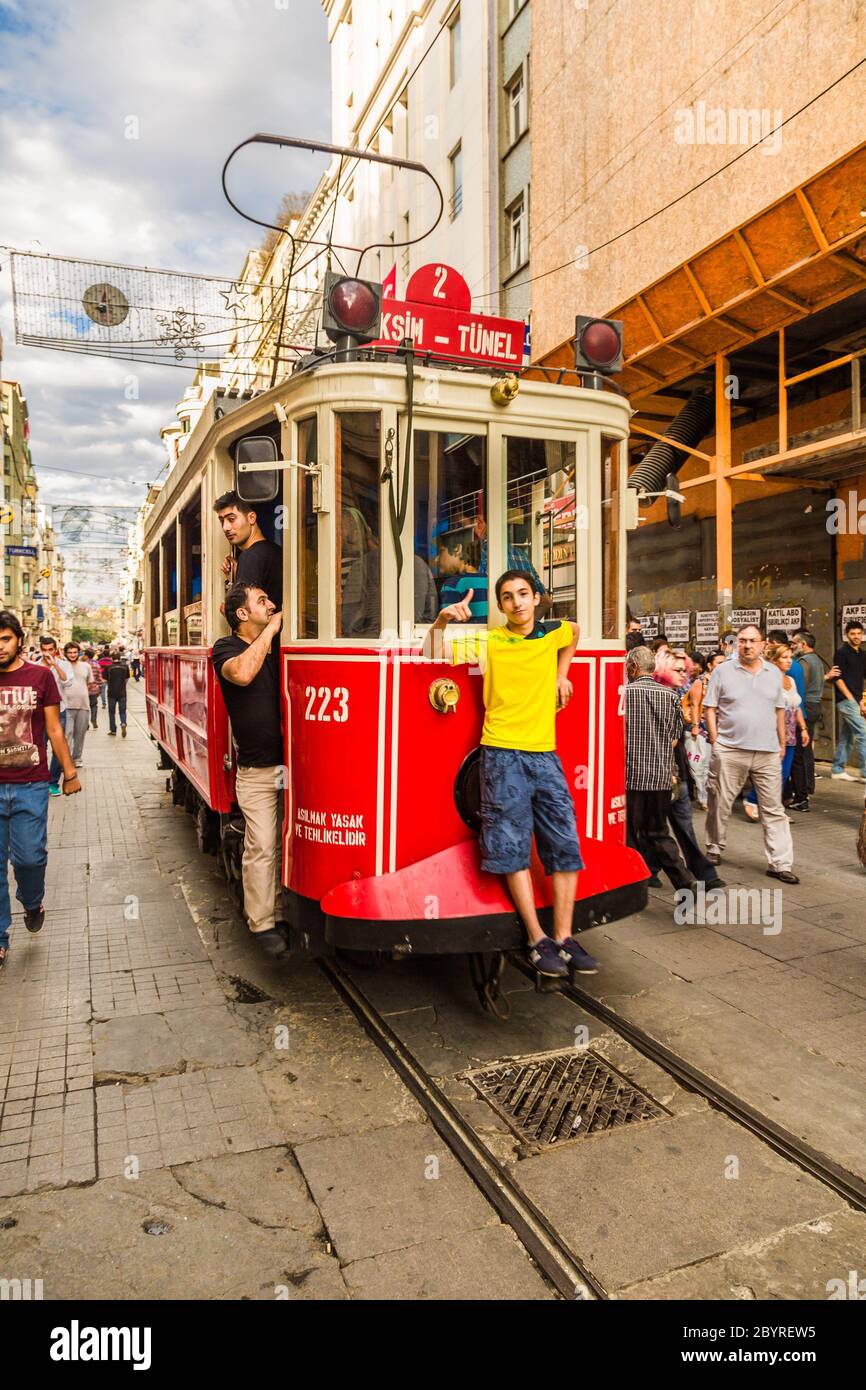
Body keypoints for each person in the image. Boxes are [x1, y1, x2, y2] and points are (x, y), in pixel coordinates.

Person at [423, 569, 596, 980]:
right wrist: (443, 620)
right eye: (507, 597)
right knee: (510, 845)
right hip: (501, 754)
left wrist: (562, 674)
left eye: (523, 594)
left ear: (536, 599)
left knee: (565, 842)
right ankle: (538, 940)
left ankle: (564, 937)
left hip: (544, 754)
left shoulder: (550, 634)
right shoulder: (489, 640)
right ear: (500, 606)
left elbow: (574, 630)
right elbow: (432, 650)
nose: (517, 602)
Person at [0, 611, 81, 970]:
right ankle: (0, 937)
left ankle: (32, 901)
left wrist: (69, 771)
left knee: (29, 858)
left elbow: (54, 728)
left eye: (4, 638)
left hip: (30, 783)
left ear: (18, 638)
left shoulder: (40, 676)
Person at [211, 582, 287, 959]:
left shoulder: (279, 645)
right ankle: (262, 922)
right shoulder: (226, 648)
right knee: (261, 845)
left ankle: (287, 907)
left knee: (287, 842)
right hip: (257, 770)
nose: (271, 604)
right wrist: (271, 631)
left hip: (291, 768)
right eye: (263, 601)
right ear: (242, 614)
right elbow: (241, 674)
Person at [703, 625, 798, 884]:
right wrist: (715, 739)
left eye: (752, 641)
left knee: (773, 808)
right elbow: (709, 707)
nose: (747, 645)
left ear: (762, 644)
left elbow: (779, 710)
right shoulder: (723, 671)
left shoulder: (773, 674)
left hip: (767, 751)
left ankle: (780, 863)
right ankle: (714, 847)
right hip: (731, 749)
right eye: (742, 641)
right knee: (719, 802)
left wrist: (781, 743)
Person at [624, 645, 695, 898]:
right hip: (661, 777)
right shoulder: (670, 696)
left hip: (631, 777)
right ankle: (685, 881)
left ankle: (632, 885)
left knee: (630, 834)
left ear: (632, 667)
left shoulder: (625, 694)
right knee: (658, 832)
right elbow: (676, 738)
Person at [651, 650, 723, 889]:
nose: (684, 675)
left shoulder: (675, 695)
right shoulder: (659, 696)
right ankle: (659, 871)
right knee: (655, 828)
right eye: (678, 670)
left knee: (679, 825)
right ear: (662, 670)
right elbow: (665, 739)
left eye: (686, 670)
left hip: (676, 770)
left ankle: (703, 874)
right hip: (659, 773)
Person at [215, 491, 283, 610]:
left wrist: (225, 609)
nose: (225, 528)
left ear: (251, 518)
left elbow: (244, 616)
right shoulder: (274, 551)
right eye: (222, 521)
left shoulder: (250, 557)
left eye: (231, 519)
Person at [791, 629, 826, 804]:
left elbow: (800, 685)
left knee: (802, 751)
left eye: (794, 643)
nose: (792, 647)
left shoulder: (804, 661)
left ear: (803, 644)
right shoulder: (817, 660)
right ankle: (808, 785)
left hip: (807, 706)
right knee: (807, 751)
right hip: (816, 705)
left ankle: (803, 789)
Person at [829, 620, 866, 782]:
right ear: (847, 635)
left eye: (859, 633)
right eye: (852, 634)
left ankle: (837, 769)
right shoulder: (841, 653)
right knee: (864, 734)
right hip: (846, 699)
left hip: (857, 700)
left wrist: (862, 700)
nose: (856, 636)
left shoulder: (863, 654)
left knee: (848, 736)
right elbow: (837, 677)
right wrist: (850, 698)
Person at [37, 636, 72, 796]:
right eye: (44, 650)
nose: (47, 653)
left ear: (55, 649)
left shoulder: (64, 664)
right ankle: (40, 781)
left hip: (60, 711)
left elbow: (67, 682)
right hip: (39, 713)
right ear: (40, 649)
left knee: (58, 748)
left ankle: (53, 782)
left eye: (50, 649)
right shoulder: (35, 666)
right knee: (39, 748)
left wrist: (55, 665)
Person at [53, 642, 92, 768]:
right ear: (65, 653)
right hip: (66, 706)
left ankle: (77, 759)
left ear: (79, 653)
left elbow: (89, 683)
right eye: (69, 652)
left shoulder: (86, 666)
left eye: (75, 652)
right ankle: (67, 760)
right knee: (66, 735)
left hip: (83, 705)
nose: (72, 655)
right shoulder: (60, 666)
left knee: (80, 734)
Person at [437, 537, 487, 622]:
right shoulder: (490, 581)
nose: (436, 559)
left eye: (441, 552)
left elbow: (447, 627)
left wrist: (434, 635)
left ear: (457, 550)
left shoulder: (452, 585)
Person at [106, 648, 130, 737]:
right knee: (122, 711)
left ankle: (113, 730)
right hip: (122, 692)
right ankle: (123, 723)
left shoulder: (108, 667)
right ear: (120, 658)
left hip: (111, 692)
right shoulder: (125, 666)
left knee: (111, 712)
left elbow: (105, 680)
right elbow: (127, 678)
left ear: (111, 658)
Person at [85, 648, 103, 729]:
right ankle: (93, 719)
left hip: (83, 690)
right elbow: (99, 678)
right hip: (94, 689)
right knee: (94, 705)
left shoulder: (82, 665)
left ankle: (86, 723)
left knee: (85, 707)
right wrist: (100, 687)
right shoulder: (97, 665)